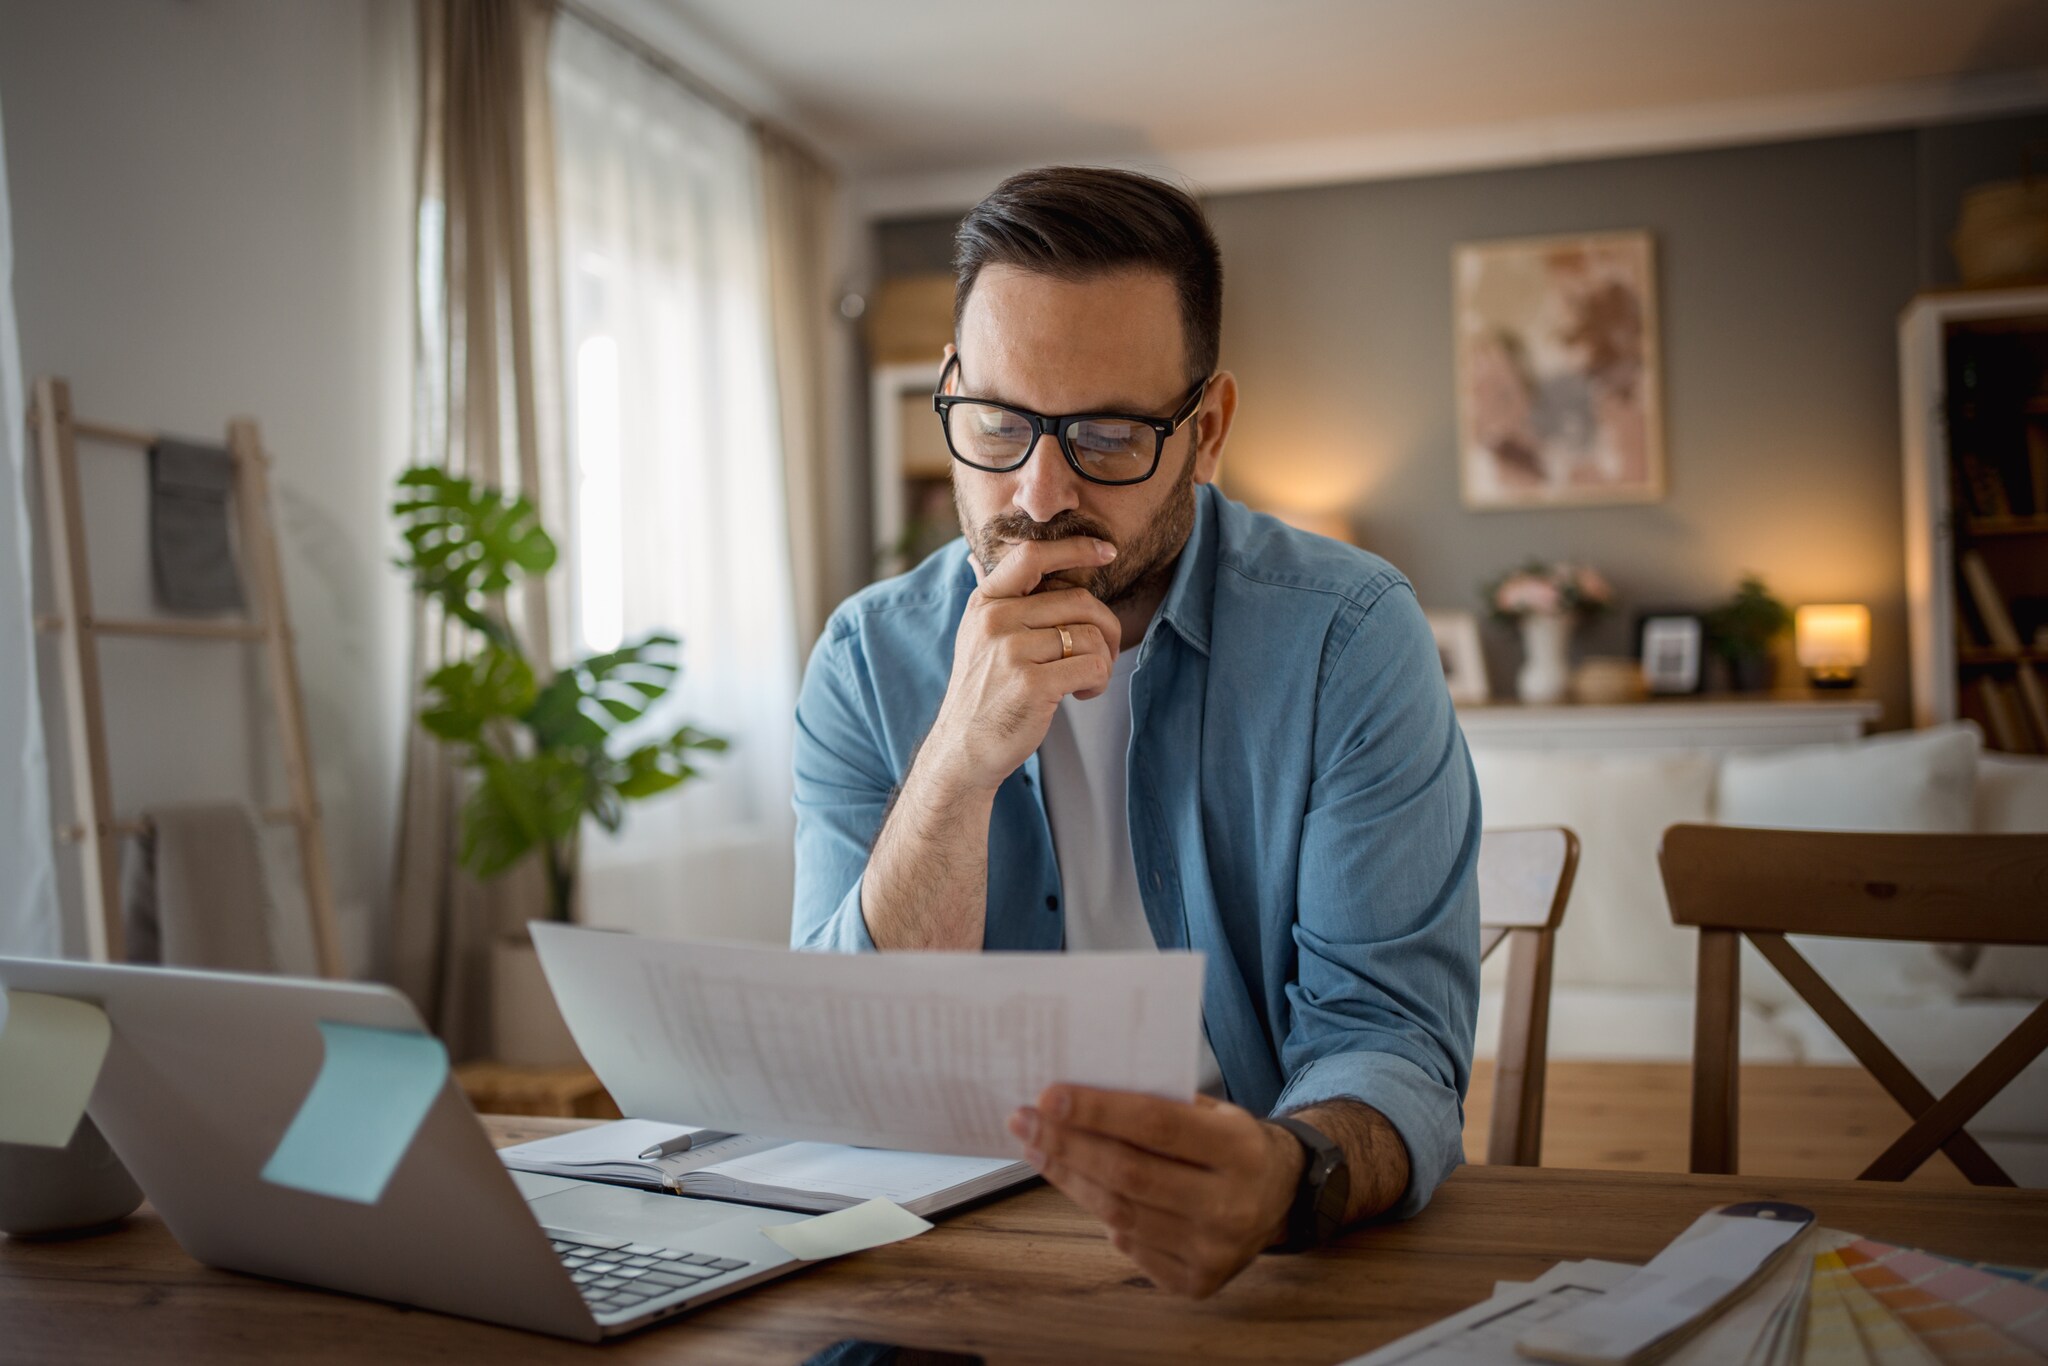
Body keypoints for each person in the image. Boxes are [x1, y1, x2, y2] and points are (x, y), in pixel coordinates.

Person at [791, 166, 1480, 1298]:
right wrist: (956, 766)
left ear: (1206, 432)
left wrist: (1283, 1177)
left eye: (1107, 436)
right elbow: (837, 1062)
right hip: (943, 1263)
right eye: (998, 423)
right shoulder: (865, 660)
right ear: (951, 391)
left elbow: (1390, 1039)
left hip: (1256, 1270)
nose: (1037, 493)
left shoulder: (1347, 639)